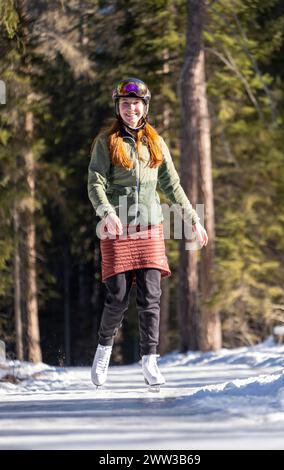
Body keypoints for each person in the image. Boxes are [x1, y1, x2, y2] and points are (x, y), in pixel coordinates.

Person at [87, 77, 208, 388]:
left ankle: (150, 361)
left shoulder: (156, 142)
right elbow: (95, 184)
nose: (131, 109)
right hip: (117, 224)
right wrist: (107, 213)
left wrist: (193, 219)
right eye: (125, 104)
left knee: (151, 297)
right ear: (119, 108)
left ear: (144, 108)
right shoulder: (107, 143)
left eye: (136, 104)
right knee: (117, 297)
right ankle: (103, 351)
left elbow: (172, 185)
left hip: (150, 225)